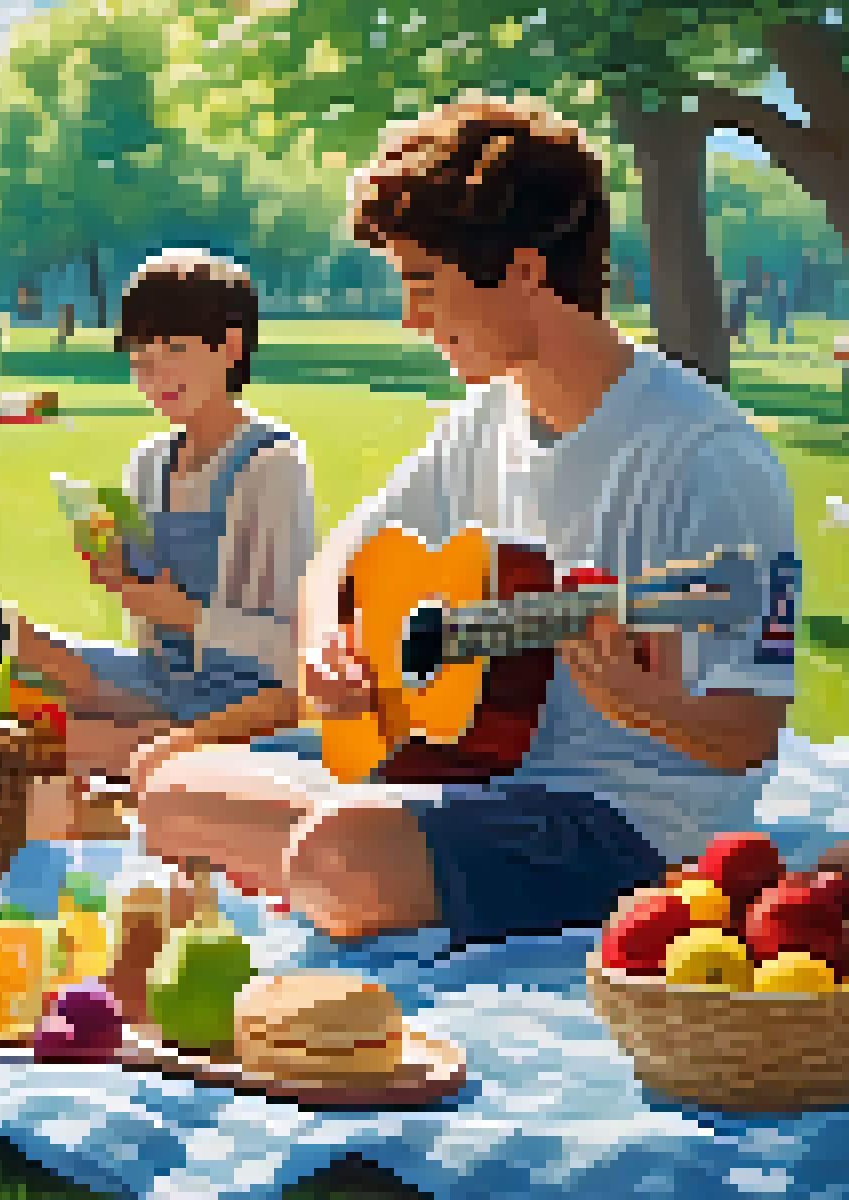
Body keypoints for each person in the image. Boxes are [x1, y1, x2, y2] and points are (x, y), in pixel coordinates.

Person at [129, 95, 799, 947]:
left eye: (424, 283)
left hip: (633, 829)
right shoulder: (486, 420)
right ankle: (362, 858)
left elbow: (749, 732)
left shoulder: (710, 457)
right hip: (476, 775)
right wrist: (323, 646)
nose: (411, 319)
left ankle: (346, 862)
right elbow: (345, 551)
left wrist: (643, 704)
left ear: (524, 270)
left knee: (341, 856)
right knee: (172, 787)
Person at [9, 250, 316, 780]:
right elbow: (150, 625)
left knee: (51, 747)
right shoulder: (148, 462)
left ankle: (152, 745)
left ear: (231, 347)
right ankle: (142, 738)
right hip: (161, 679)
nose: (156, 373)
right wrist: (120, 579)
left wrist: (183, 614)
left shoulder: (271, 464)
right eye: (140, 359)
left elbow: (292, 650)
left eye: (175, 348)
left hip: (252, 697)